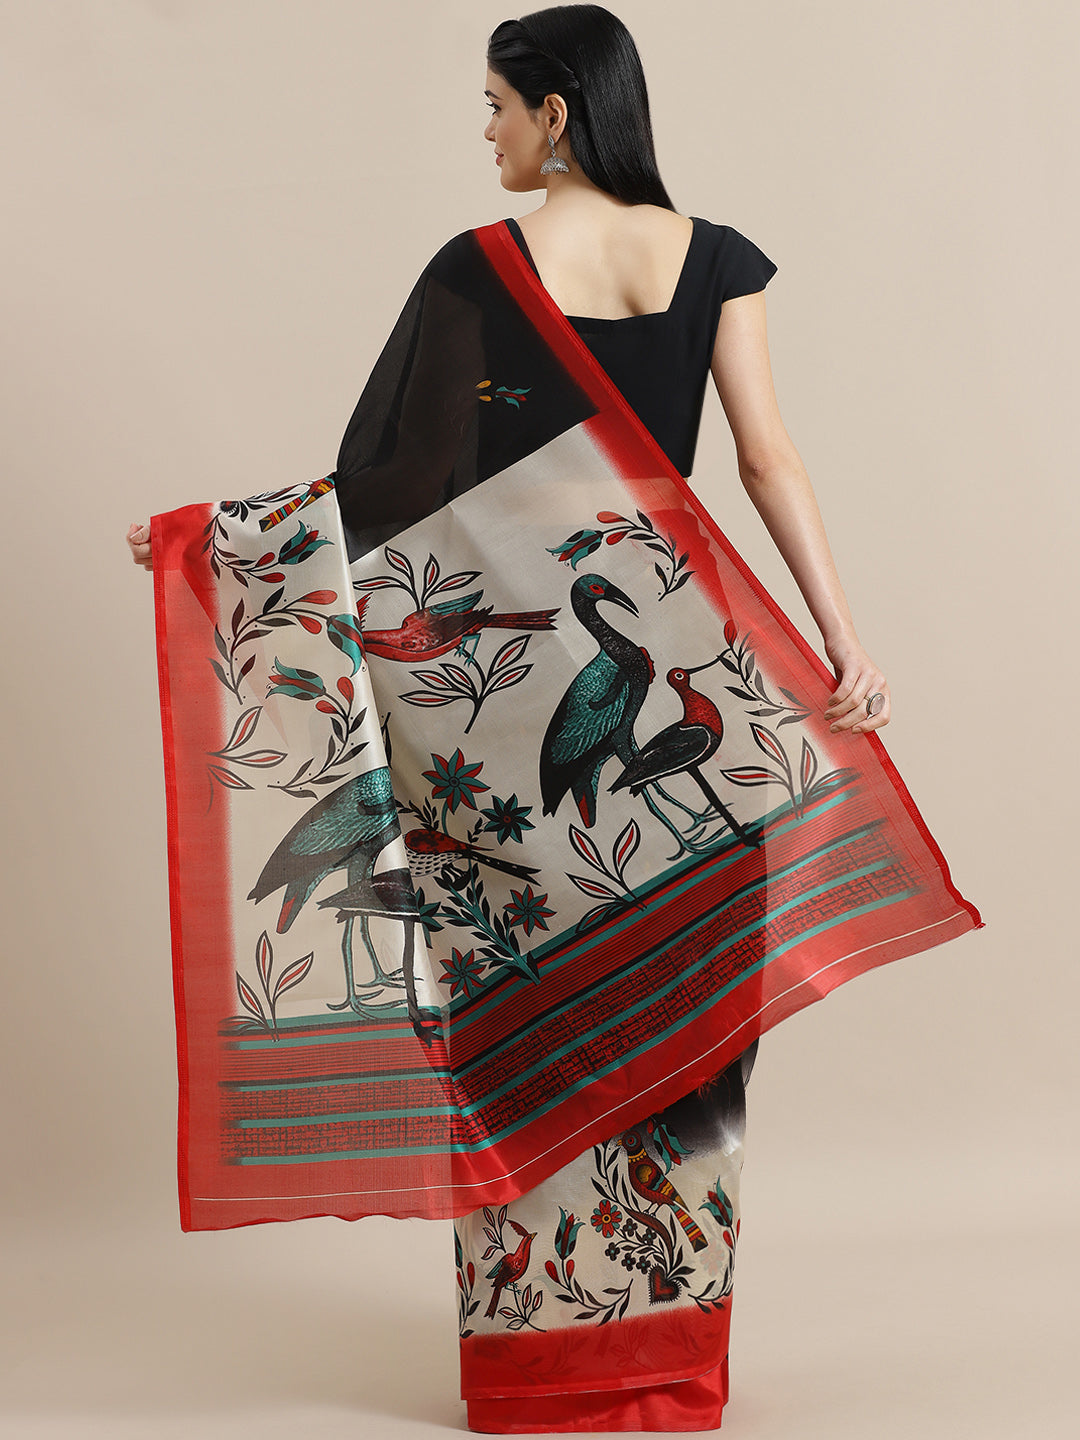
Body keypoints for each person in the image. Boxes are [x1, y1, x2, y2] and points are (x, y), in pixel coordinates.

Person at [127, 7, 979, 1433]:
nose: (487, 132)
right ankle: (666, 1366)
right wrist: (843, 644)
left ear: (558, 112)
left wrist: (215, 547)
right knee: (694, 1028)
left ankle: (544, 1369)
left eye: (496, 105)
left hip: (517, 726)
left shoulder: (480, 268)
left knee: (520, 1020)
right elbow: (769, 462)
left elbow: (395, 488)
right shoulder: (719, 258)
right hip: (682, 654)